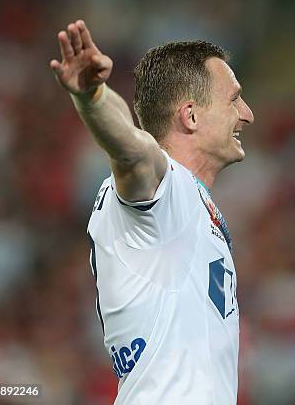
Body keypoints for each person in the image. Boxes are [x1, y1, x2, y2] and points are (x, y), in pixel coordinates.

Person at [50, 20, 254, 404]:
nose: (247, 114)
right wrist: (92, 97)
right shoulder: (165, 187)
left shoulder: (189, 203)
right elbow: (132, 149)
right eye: (234, 99)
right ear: (190, 116)